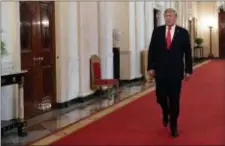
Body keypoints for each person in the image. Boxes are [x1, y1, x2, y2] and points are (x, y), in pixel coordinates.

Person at [147, 8, 193, 138]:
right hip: (160, 72)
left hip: (175, 72)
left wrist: (188, 70)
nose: (168, 18)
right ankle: (165, 111)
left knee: (174, 99)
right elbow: (152, 50)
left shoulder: (183, 33)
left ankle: (174, 125)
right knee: (161, 97)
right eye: (166, 16)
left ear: (175, 17)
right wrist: (150, 67)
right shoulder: (157, 31)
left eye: (170, 15)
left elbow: (188, 53)